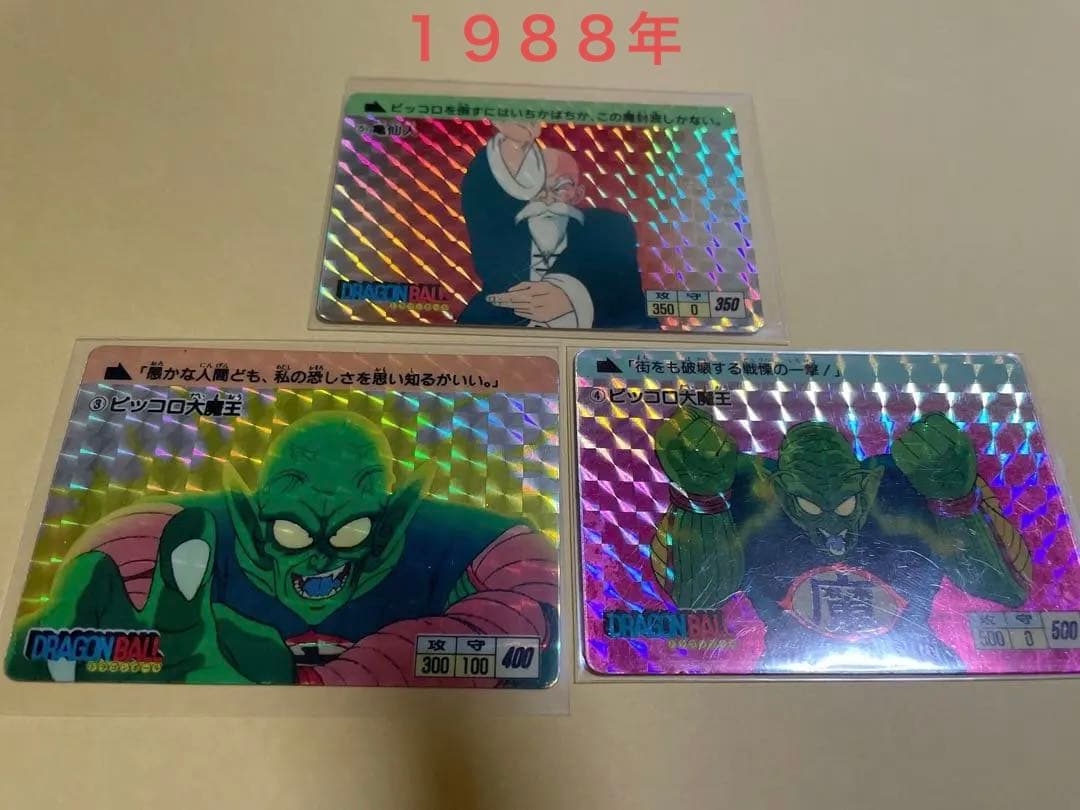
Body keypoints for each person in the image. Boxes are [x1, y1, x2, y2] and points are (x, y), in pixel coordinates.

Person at [459, 121, 653, 329]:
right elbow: (478, 189)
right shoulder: (503, 227)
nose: (547, 196)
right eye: (537, 183)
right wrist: (513, 141)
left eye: (561, 186)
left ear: (578, 194)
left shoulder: (608, 229)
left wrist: (571, 298)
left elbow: (627, 297)